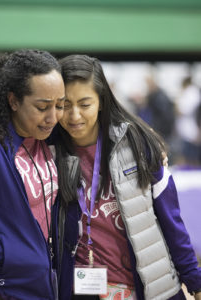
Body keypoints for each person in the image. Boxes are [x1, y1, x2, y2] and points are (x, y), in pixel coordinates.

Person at [52, 55, 201, 300]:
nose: (74, 115)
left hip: (149, 287)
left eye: (85, 104)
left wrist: (193, 279)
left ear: (101, 101)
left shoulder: (138, 143)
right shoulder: (47, 153)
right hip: (82, 290)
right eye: (65, 105)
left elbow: (171, 220)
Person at [0, 49, 65, 299]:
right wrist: (7, 253)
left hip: (40, 285)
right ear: (13, 101)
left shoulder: (45, 140)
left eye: (60, 105)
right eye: (42, 107)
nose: (53, 117)